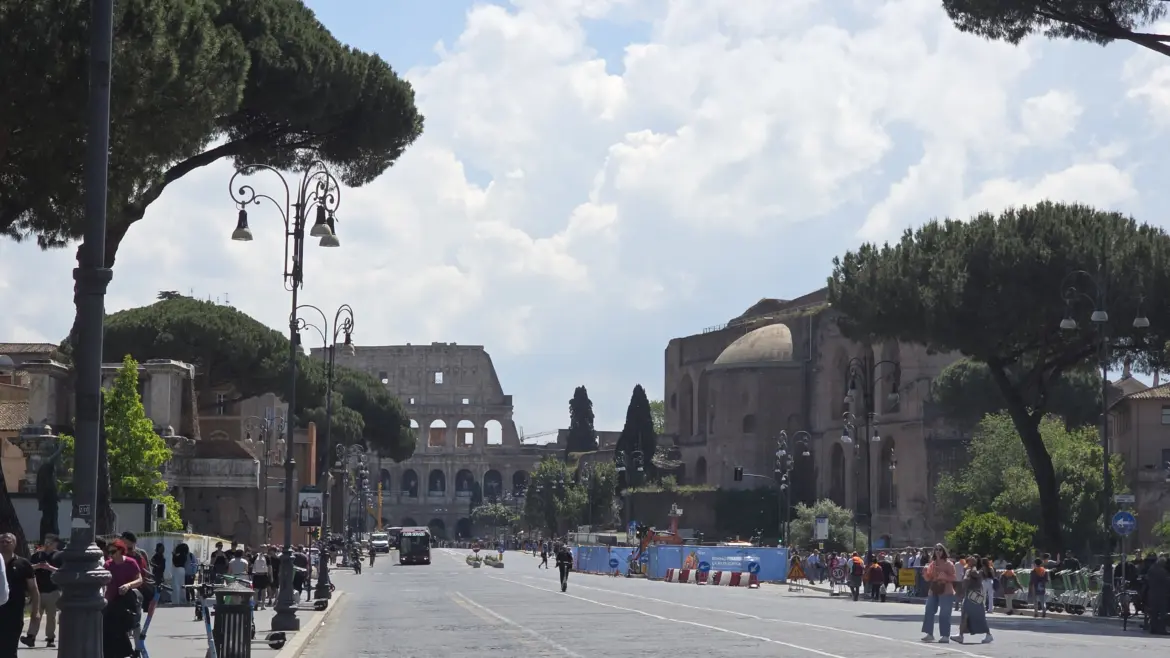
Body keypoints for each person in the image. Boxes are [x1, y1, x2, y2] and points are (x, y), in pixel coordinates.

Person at [0, 533, 38, 658]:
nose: (4, 544)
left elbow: (33, 588)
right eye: (2, 542)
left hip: (14, 613)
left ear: (14, 544)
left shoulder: (23, 563)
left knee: (10, 649)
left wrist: (35, 612)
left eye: (8, 541)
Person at [104, 539, 143, 658]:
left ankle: (130, 651)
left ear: (121, 550)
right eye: (109, 552)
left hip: (126, 601)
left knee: (120, 627)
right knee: (106, 628)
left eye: (113, 551)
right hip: (111, 600)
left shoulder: (130, 563)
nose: (110, 555)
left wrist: (128, 585)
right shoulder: (108, 565)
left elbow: (139, 580)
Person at [23, 535, 63, 648]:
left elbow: (62, 571)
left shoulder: (59, 556)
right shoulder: (37, 555)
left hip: (53, 590)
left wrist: (49, 567)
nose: (48, 544)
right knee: (35, 614)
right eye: (46, 541)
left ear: (56, 543)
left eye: (50, 542)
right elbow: (29, 568)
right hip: (38, 590)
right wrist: (38, 566)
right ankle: (31, 636)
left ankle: (50, 638)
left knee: (51, 616)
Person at [951, 555, 993, 644]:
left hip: (975, 596)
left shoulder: (980, 571)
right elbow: (965, 581)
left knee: (978, 615)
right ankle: (960, 635)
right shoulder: (968, 569)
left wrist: (973, 566)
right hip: (969, 594)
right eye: (969, 560)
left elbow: (975, 575)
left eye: (973, 560)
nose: (970, 561)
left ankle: (988, 634)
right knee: (965, 614)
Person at [921, 543, 956, 643]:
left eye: (940, 550)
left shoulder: (948, 564)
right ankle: (929, 634)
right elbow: (928, 578)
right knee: (929, 610)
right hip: (934, 589)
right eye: (936, 549)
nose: (938, 551)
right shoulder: (932, 563)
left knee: (944, 613)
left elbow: (954, 577)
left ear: (943, 551)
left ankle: (945, 635)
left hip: (946, 589)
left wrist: (945, 576)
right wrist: (924, 573)